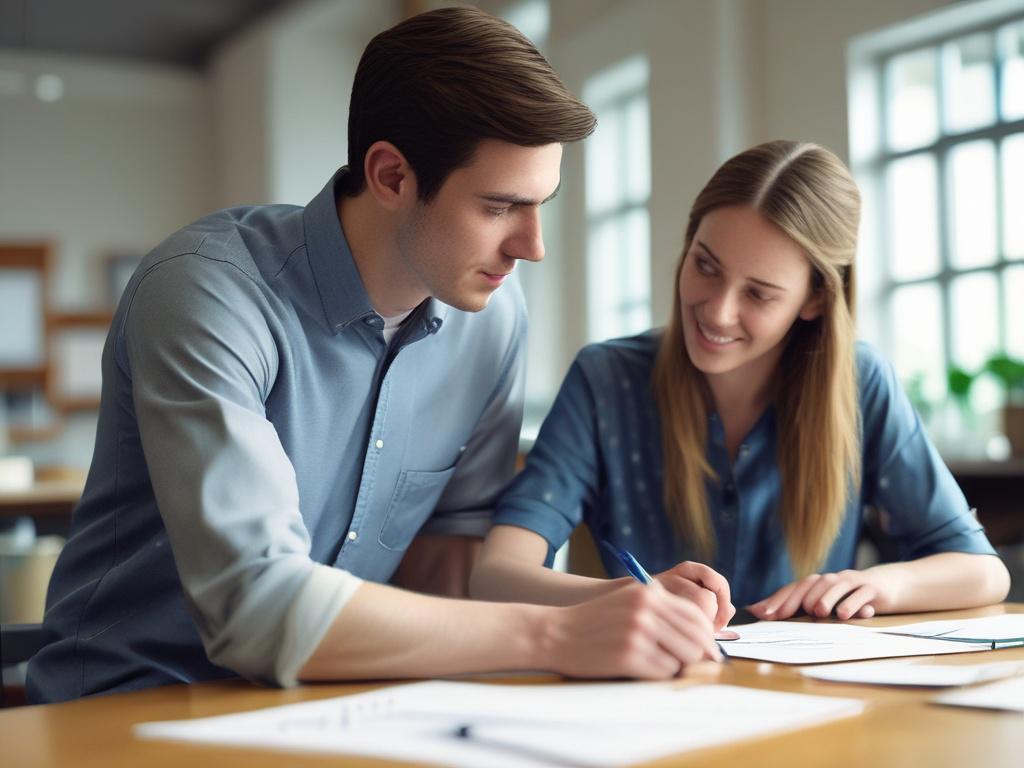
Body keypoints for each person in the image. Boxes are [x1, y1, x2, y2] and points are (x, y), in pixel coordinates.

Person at [28, 7, 722, 704]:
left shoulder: (492, 316)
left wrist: (615, 611)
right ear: (391, 176)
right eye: (500, 206)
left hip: (337, 704)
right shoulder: (206, 294)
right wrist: (557, 636)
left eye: (542, 204)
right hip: (131, 703)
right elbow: (256, 607)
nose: (532, 246)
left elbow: (451, 566)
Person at [471, 140, 1010, 626]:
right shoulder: (606, 380)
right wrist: (628, 596)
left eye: (759, 293)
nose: (718, 311)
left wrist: (876, 583)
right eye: (705, 266)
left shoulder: (860, 384)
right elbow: (494, 575)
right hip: (652, 698)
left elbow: (984, 572)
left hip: (809, 705)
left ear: (816, 300)